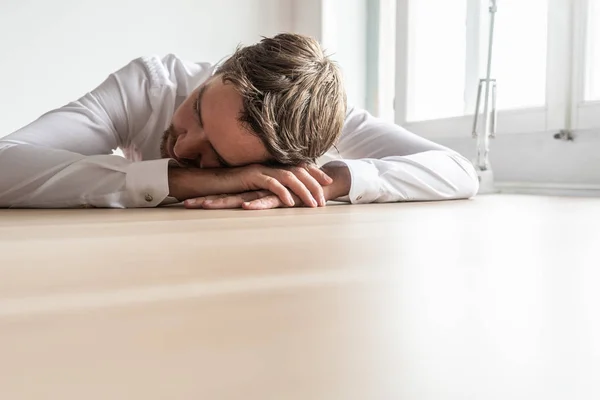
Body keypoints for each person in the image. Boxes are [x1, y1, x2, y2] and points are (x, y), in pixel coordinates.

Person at [0, 33, 478, 210]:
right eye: (200, 111)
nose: (186, 145)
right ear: (217, 75)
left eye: (218, 157)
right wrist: (180, 180)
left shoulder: (322, 121)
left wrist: (320, 183)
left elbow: (457, 170)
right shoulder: (150, 83)